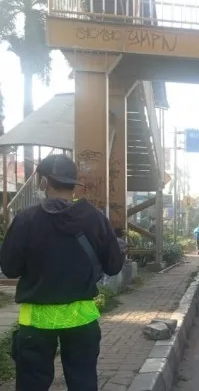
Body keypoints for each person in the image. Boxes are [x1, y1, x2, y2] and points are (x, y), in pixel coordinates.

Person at [0, 154, 124, 390]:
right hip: (82, 321)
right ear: (73, 184)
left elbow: (9, 268)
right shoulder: (96, 218)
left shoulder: (26, 220)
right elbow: (114, 266)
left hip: (36, 323)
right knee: (83, 383)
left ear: (44, 183)